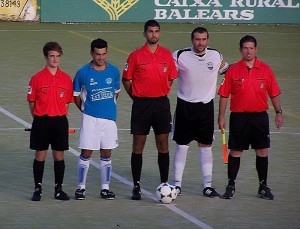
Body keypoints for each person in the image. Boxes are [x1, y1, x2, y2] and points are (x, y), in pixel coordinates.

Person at [218, 35, 283, 200]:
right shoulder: (233, 70)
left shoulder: (266, 69)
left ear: (256, 49)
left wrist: (278, 113)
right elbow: (224, 95)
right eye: (245, 48)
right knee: (235, 151)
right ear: (240, 50)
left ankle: (263, 186)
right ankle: (230, 185)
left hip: (259, 118)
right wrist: (221, 117)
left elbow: (274, 93)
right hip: (239, 117)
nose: (248, 51)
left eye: (251, 48)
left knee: (262, 151)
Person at [122, 19, 178, 200]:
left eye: (156, 31)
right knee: (138, 145)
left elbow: (171, 78)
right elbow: (126, 79)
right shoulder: (135, 56)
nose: (153, 34)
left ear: (159, 33)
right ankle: (136, 186)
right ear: (144, 34)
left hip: (161, 104)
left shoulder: (167, 55)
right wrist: (137, 97)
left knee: (163, 144)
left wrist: (159, 91)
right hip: (141, 105)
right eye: (150, 31)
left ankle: (164, 183)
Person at [172, 27, 229, 197]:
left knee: (206, 146)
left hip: (206, 108)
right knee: (182, 145)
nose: (200, 43)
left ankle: (207, 186)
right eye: (197, 39)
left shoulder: (215, 55)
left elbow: (227, 69)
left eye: (204, 39)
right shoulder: (179, 55)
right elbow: (164, 69)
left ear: (208, 40)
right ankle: (177, 185)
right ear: (192, 40)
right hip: (185, 107)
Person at [73, 38, 120, 200]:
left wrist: (108, 107)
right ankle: (81, 188)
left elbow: (116, 92)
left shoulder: (113, 71)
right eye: (98, 54)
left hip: (109, 120)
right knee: (86, 152)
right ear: (92, 53)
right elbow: (76, 96)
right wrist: (86, 110)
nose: (101, 57)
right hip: (90, 119)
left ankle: (105, 188)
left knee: (107, 153)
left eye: (104, 54)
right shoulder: (82, 72)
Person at [27, 41, 73, 201]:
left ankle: (58, 189)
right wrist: (38, 118)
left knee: (59, 156)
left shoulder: (66, 79)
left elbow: (67, 102)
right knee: (40, 155)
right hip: (41, 121)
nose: (55, 59)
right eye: (52, 56)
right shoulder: (36, 78)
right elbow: (31, 101)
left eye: (57, 56)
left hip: (60, 121)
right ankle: (37, 189)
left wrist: (57, 113)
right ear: (46, 57)